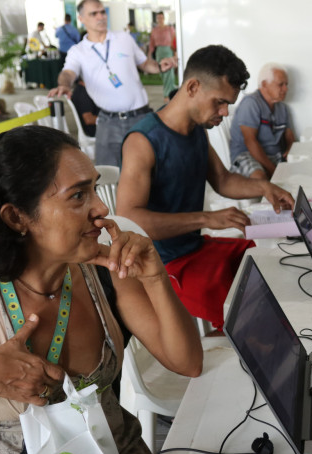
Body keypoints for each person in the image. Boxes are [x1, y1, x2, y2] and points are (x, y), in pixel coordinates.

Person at [0, 126, 203, 454]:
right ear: (17, 218)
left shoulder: (105, 269)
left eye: (95, 188)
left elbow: (188, 363)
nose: (101, 208)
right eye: (79, 195)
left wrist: (155, 277)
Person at [118, 45, 294, 328]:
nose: (224, 112)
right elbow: (130, 219)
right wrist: (207, 218)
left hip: (192, 248)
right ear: (192, 87)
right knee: (249, 313)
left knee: (260, 262)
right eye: (219, 102)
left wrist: (264, 188)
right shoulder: (143, 141)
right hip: (160, 264)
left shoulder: (196, 130)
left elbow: (223, 180)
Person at [48, 0, 177, 167]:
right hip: (108, 123)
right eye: (94, 14)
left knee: (153, 170)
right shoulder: (78, 51)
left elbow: (144, 63)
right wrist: (64, 85)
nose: (101, 17)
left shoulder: (124, 38)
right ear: (81, 18)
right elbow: (68, 73)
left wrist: (159, 66)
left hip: (140, 117)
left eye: (102, 12)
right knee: (108, 175)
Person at [229, 63, 295, 180]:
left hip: (274, 156)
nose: (286, 89)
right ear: (264, 84)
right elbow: (250, 142)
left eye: (286, 84)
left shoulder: (282, 107)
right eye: (281, 84)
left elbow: (289, 134)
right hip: (247, 155)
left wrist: (290, 149)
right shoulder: (251, 103)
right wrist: (274, 171)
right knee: (260, 178)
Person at [148, 12, 177, 101]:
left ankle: (167, 94)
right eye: (158, 18)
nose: (160, 19)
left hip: (168, 51)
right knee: (162, 73)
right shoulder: (154, 30)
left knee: (169, 73)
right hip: (159, 52)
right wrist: (149, 55)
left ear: (164, 18)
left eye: (161, 17)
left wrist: (175, 53)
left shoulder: (169, 28)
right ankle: (171, 91)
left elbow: (174, 40)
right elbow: (152, 43)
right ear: (157, 19)